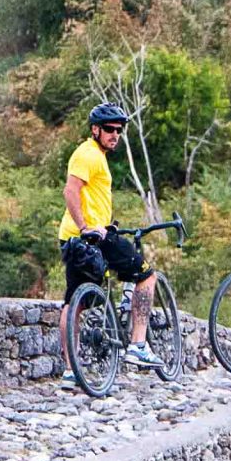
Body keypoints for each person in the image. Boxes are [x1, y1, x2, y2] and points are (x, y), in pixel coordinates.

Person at [60, 103, 162, 370]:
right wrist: (85, 228)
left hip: (77, 237)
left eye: (119, 130)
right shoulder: (89, 155)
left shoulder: (94, 155)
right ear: (95, 129)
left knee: (74, 303)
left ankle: (71, 371)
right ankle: (138, 346)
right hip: (92, 236)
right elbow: (70, 192)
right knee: (146, 276)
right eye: (109, 129)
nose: (115, 134)